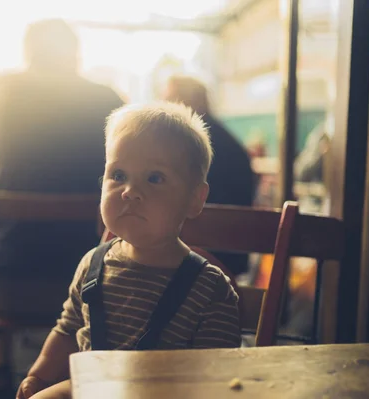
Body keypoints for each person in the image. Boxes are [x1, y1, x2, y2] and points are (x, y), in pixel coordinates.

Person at [16, 102, 241, 399]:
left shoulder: (211, 291)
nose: (129, 191)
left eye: (154, 178)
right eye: (118, 175)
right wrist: (38, 375)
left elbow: (218, 381)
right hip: (91, 389)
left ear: (194, 199)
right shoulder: (93, 264)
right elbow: (69, 330)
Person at [0, 19, 124, 284]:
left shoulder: (3, 91)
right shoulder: (107, 99)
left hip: (13, 260)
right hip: (91, 263)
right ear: (75, 54)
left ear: (28, 53)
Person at [164, 75, 255, 275]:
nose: (164, 107)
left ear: (186, 102)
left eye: (169, 99)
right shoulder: (226, 140)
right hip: (232, 256)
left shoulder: (190, 143)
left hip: (200, 258)